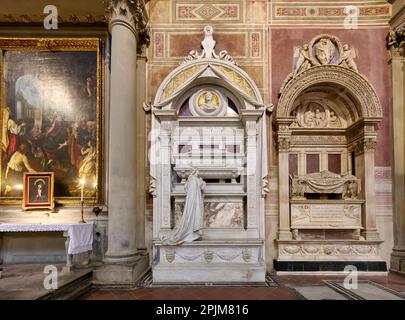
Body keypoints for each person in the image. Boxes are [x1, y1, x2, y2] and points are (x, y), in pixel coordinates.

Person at [161, 168, 206, 245]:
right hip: (194, 202)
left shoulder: (191, 180)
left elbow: (187, 188)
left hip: (193, 201)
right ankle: (192, 232)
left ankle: (192, 233)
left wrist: (201, 182)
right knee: (195, 214)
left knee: (194, 215)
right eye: (197, 171)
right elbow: (202, 187)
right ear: (195, 172)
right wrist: (202, 182)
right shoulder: (195, 179)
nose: (199, 172)